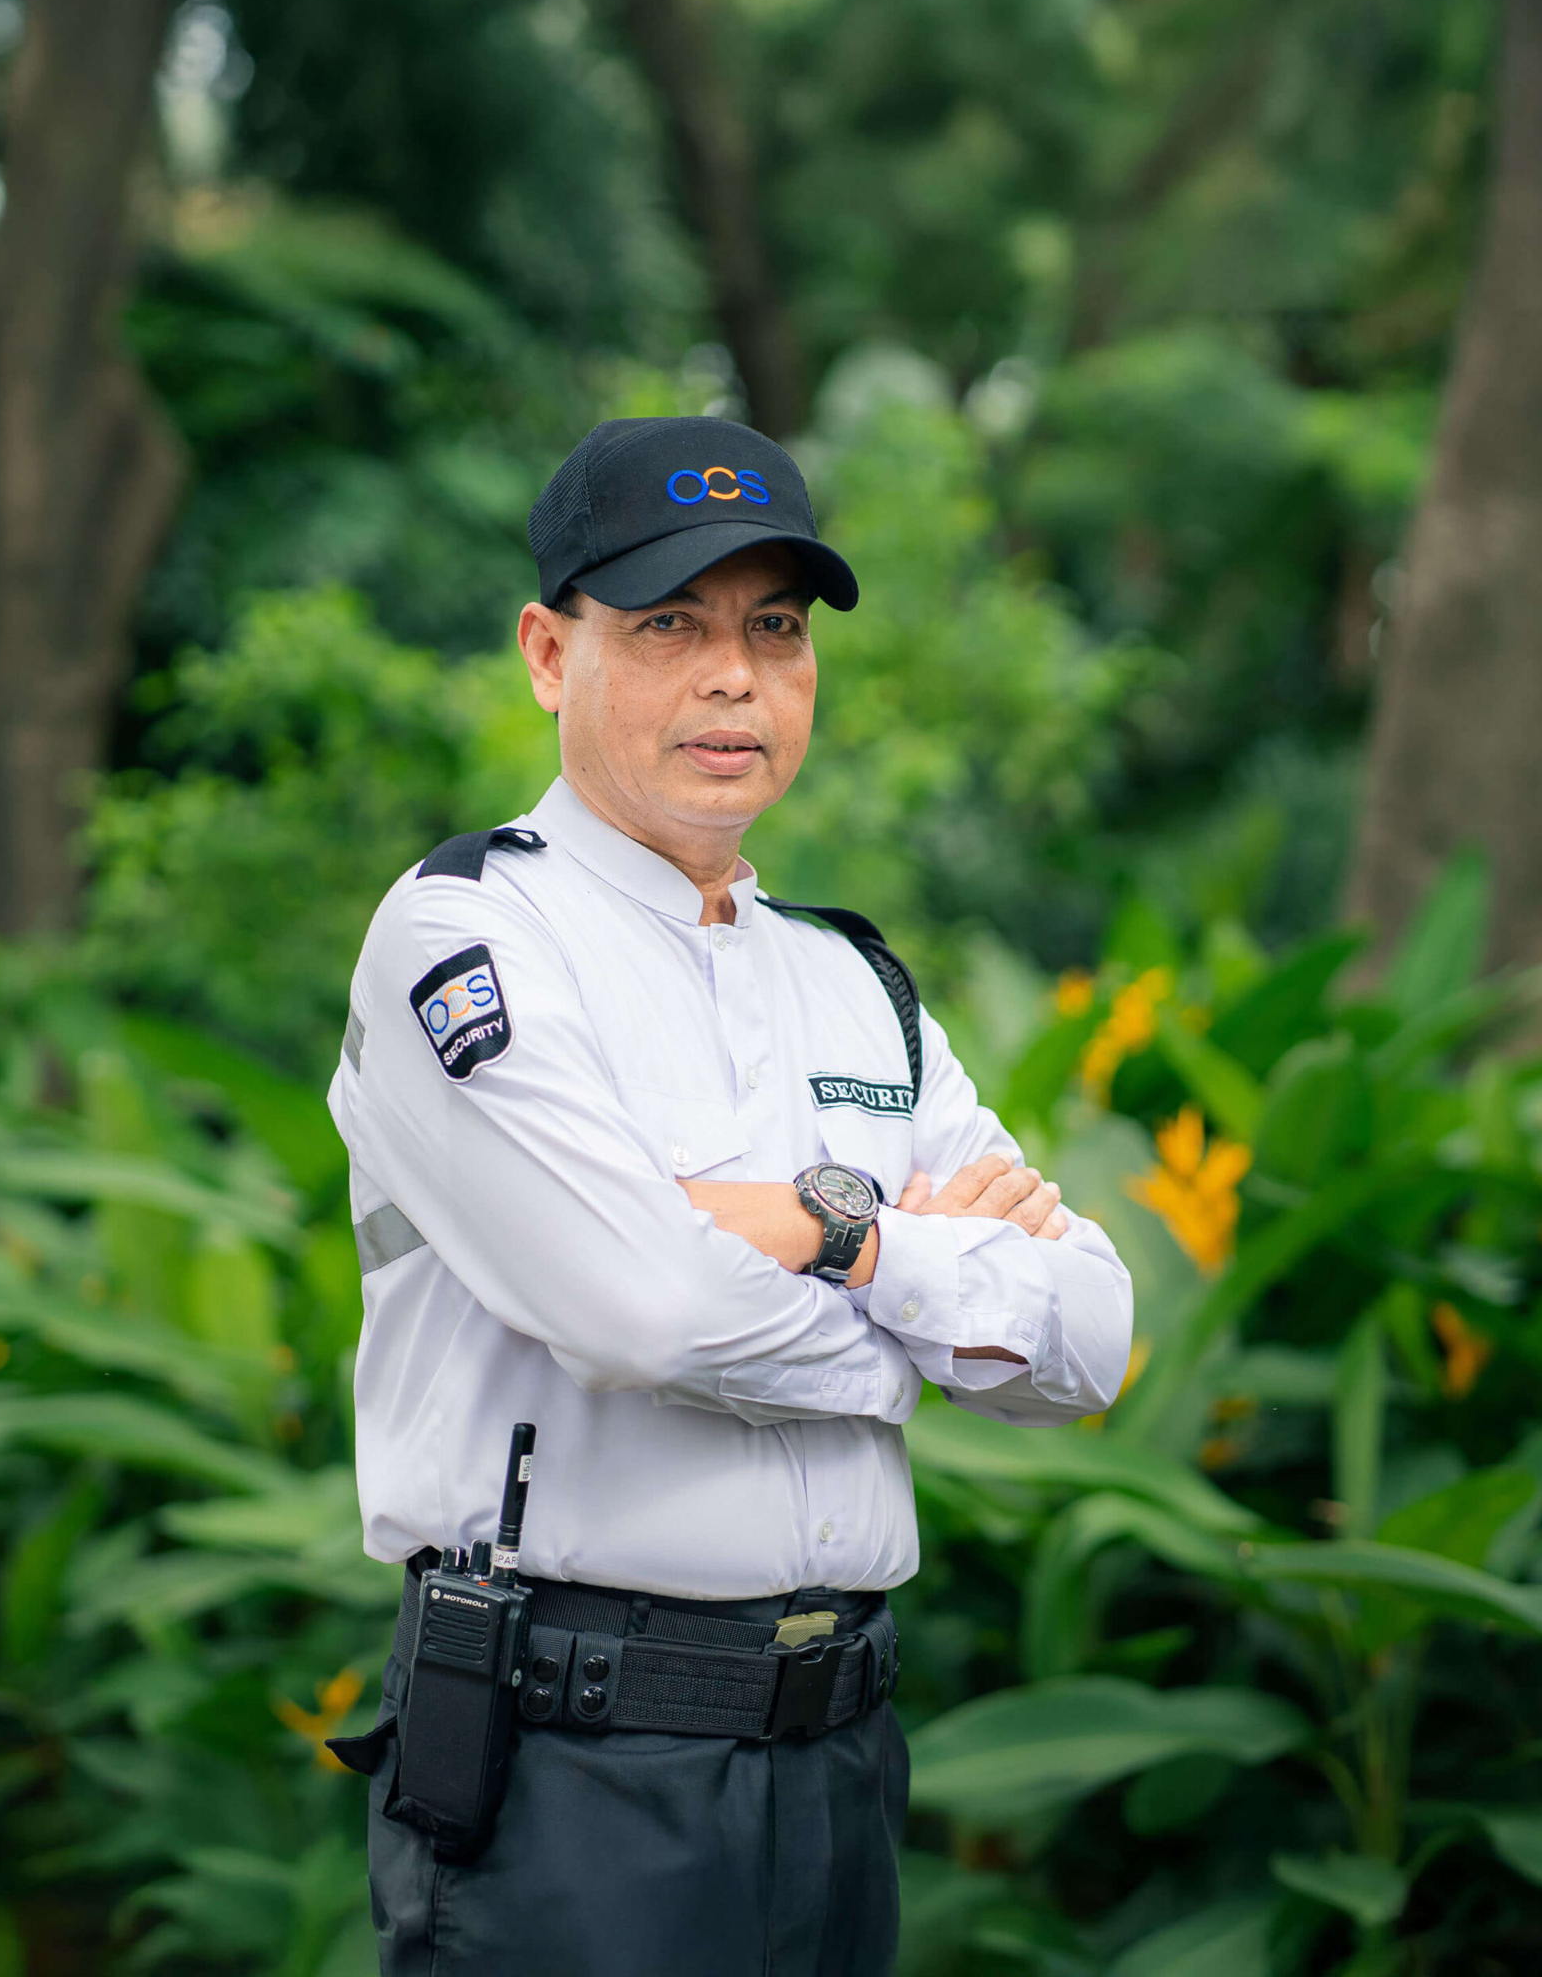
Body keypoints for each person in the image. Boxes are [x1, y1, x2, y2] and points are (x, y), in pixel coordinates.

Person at [322, 414, 1132, 1976]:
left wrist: (837, 1232)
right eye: (671, 625)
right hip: (575, 1775)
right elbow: (650, 1311)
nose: (733, 677)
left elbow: (1089, 1341)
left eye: (774, 627)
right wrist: (929, 1299)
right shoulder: (468, 942)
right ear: (551, 654)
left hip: (840, 1765)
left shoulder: (854, 988)